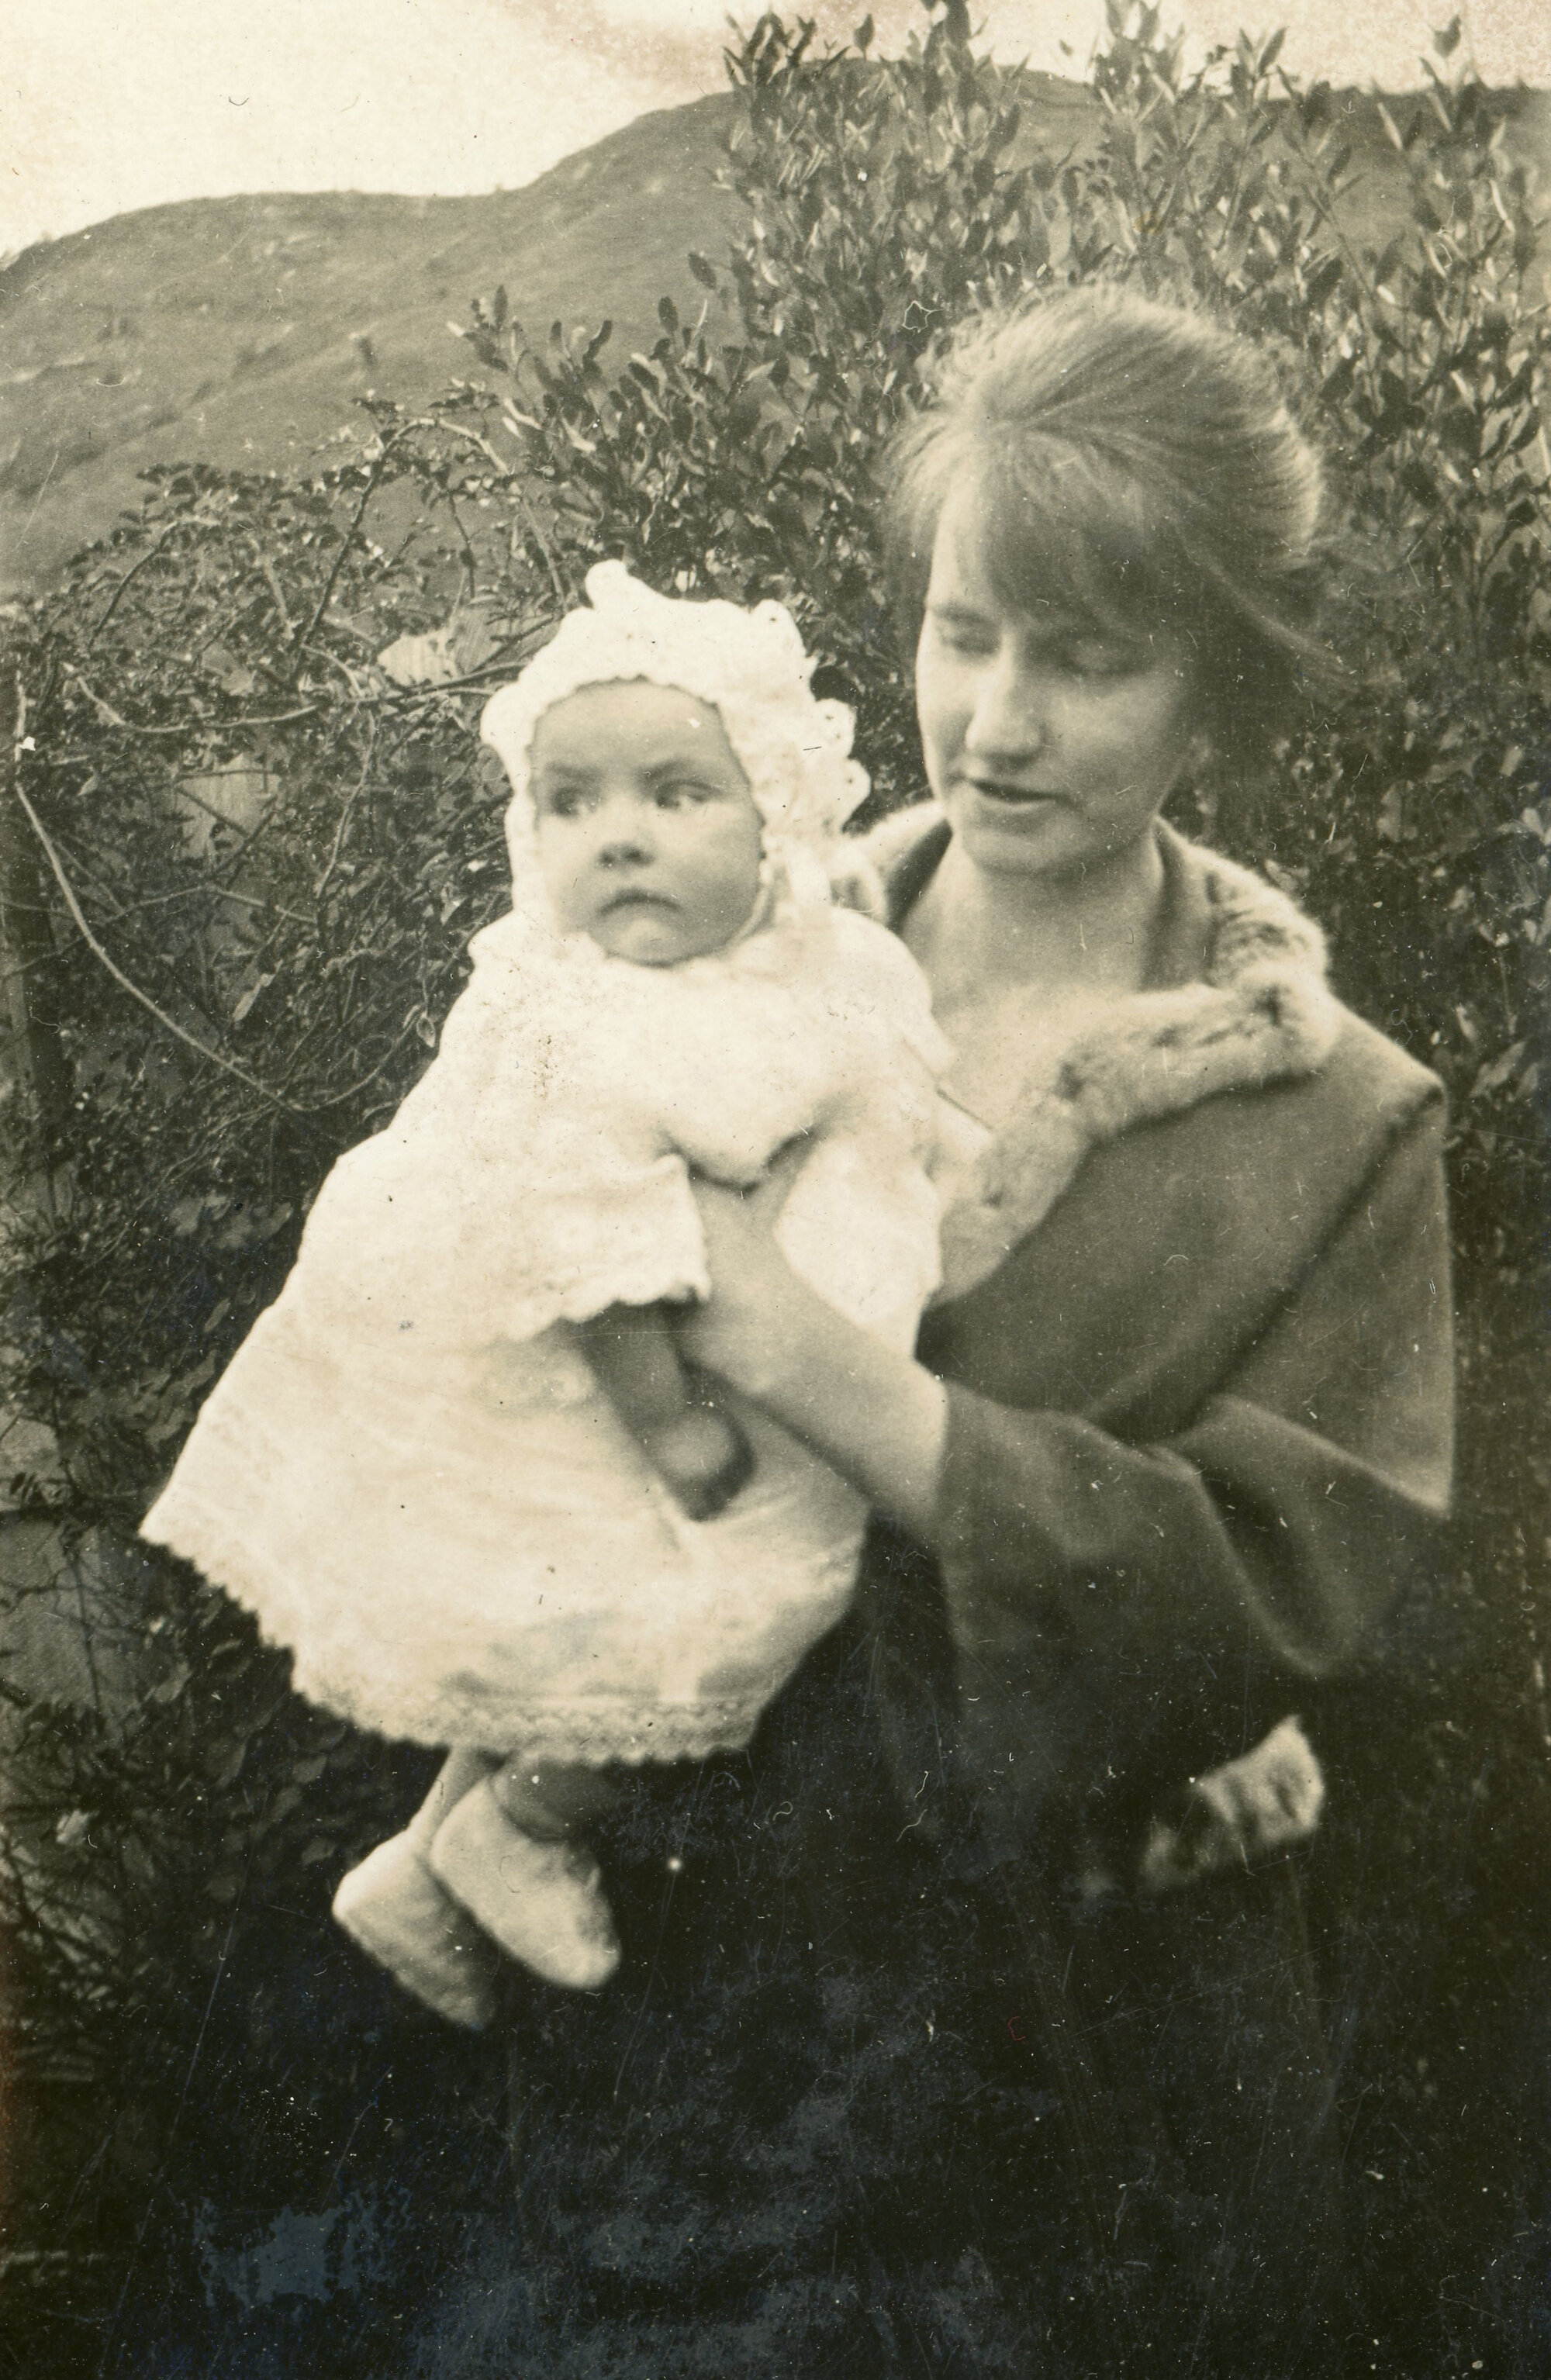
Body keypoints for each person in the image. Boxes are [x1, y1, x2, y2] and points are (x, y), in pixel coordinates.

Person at [477, 288, 1453, 2379]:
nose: (999, 716)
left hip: (1112, 2061)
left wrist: (805, 1357)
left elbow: (1278, 1587)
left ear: (1218, 691)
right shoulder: (712, 972)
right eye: (964, 629)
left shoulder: (1338, 1110)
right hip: (710, 1989)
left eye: (1090, 658)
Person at [140, 563, 946, 2026]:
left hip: (627, 1350)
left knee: (565, 1636)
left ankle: (424, 1850)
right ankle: (527, 1822)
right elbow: (591, 1252)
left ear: (776, 811)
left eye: (674, 795)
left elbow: (848, 997)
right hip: (589, 1380)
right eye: (572, 805)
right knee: (715, 1597)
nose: (620, 840)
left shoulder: (776, 953)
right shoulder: (583, 1019)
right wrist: (671, 1427)